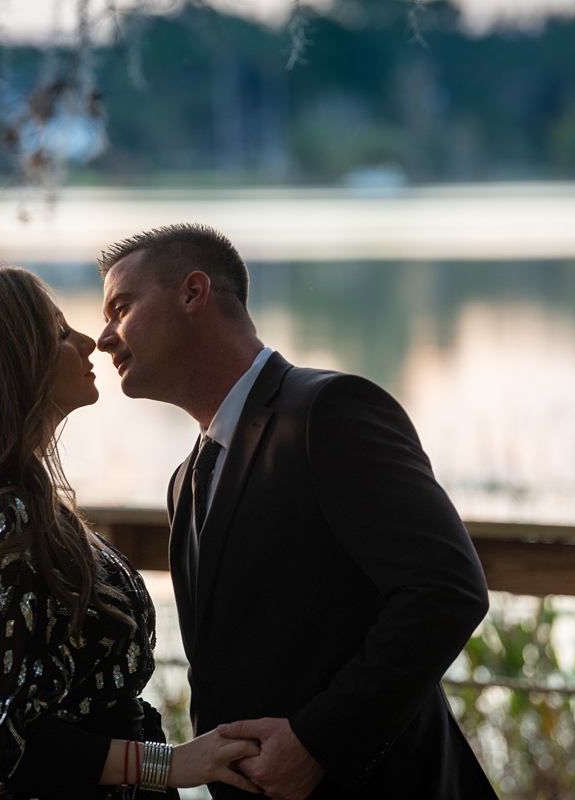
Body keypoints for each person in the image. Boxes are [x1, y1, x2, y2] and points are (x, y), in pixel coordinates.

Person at [95, 225, 497, 800]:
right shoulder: (185, 481)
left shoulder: (327, 411)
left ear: (193, 293)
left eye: (121, 307)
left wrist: (317, 743)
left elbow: (447, 590)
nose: (103, 337)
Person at [0, 266, 262, 800]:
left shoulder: (20, 504)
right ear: (10, 366)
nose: (89, 343)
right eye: (59, 333)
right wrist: (167, 765)